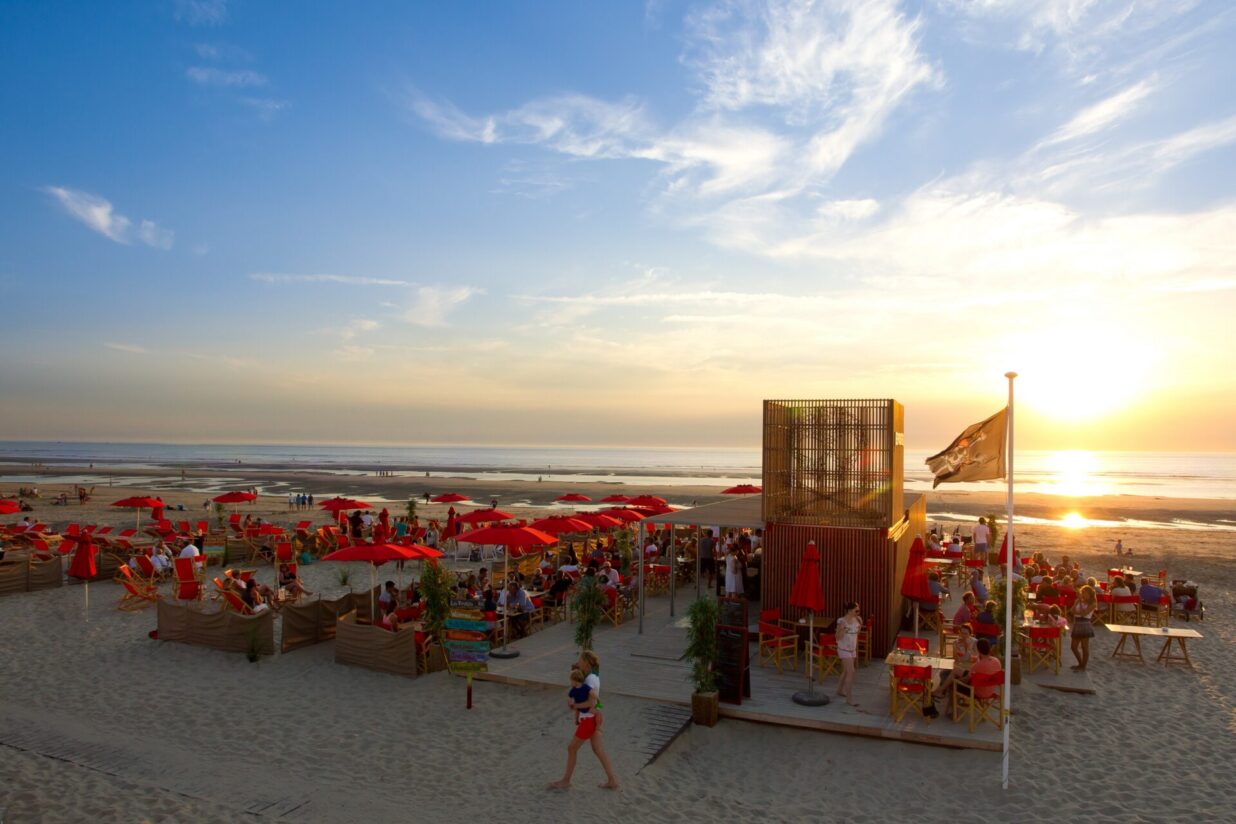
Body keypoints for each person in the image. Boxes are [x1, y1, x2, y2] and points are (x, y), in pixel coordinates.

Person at [551, 650, 618, 790]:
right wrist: (577, 713)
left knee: (572, 748)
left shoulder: (590, 680)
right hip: (590, 718)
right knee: (598, 749)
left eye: (580, 660)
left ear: (586, 663)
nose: (578, 662)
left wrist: (575, 706)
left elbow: (591, 703)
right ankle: (612, 780)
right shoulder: (590, 677)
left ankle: (566, 781)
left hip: (589, 720)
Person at [933, 623, 977, 701]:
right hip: (959, 666)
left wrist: (967, 647)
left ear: (970, 634)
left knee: (951, 674)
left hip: (969, 669)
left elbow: (974, 659)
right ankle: (943, 693)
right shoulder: (956, 642)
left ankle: (941, 692)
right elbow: (955, 659)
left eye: (966, 633)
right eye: (962, 633)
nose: (963, 635)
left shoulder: (974, 642)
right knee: (943, 673)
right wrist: (956, 649)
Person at [834, 601, 861, 706]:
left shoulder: (857, 620)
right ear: (850, 610)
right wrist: (842, 630)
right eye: (856, 610)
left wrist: (860, 625)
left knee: (846, 671)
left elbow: (856, 634)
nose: (858, 612)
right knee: (851, 672)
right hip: (843, 649)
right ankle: (849, 699)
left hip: (852, 649)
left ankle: (839, 690)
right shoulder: (841, 621)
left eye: (858, 610)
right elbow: (837, 637)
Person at [1070, 585, 1097, 671]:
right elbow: (1072, 611)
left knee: (1084, 647)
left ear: (1089, 594)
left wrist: (1080, 604)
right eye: (1082, 593)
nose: (1083, 595)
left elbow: (1083, 613)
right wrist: (1077, 603)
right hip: (1077, 623)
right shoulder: (1078, 601)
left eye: (1085, 593)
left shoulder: (1093, 604)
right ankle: (1080, 663)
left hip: (1085, 624)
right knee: (1073, 647)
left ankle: (1083, 666)